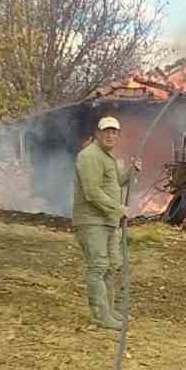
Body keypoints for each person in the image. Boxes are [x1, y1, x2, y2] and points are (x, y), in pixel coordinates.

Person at [72, 116, 140, 331]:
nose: (111, 135)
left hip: (108, 222)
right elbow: (92, 192)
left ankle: (108, 312)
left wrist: (132, 171)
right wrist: (120, 209)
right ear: (98, 133)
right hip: (92, 222)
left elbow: (115, 182)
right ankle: (100, 316)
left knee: (111, 267)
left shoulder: (107, 157)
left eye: (114, 132)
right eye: (106, 131)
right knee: (98, 267)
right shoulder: (90, 156)